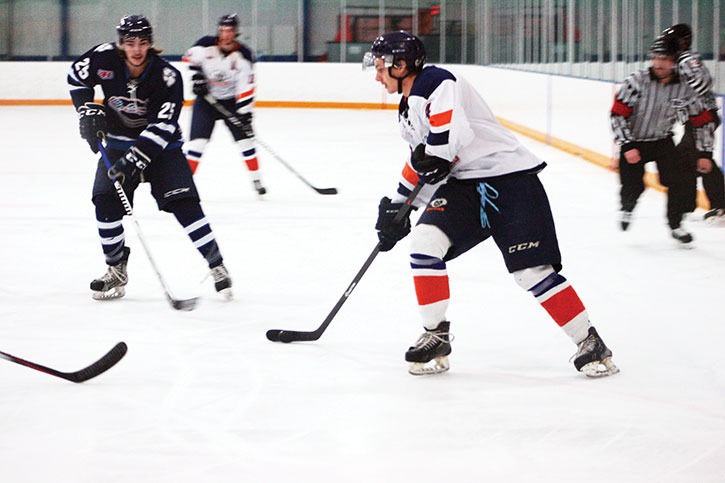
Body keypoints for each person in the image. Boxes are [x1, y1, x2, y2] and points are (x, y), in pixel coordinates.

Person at [363, 31, 619, 378]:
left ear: (402, 65)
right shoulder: (407, 109)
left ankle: (589, 341)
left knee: (531, 273)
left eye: (381, 67)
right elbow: (421, 162)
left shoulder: (437, 82)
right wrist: (399, 206)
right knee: (424, 244)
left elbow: (449, 142)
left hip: (510, 179)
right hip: (464, 187)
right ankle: (435, 334)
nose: (377, 75)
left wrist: (429, 167)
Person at [67, 14, 233, 301]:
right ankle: (116, 268)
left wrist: (134, 160)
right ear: (121, 44)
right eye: (130, 43)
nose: (136, 49)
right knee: (105, 203)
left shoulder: (167, 76)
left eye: (143, 43)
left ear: (151, 44)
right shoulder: (103, 58)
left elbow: (164, 125)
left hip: (162, 150)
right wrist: (86, 109)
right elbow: (76, 77)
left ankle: (217, 265)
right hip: (118, 145)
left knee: (185, 205)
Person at [610, 35, 717, 245]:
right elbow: (617, 114)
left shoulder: (685, 88)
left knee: (677, 182)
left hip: (662, 141)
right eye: (656, 58)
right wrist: (627, 145)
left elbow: (701, 121)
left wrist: (705, 154)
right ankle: (628, 206)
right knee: (634, 186)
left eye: (666, 59)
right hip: (634, 141)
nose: (659, 63)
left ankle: (676, 225)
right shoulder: (636, 81)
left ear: (675, 62)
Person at [182, 13, 266, 196]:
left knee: (246, 141)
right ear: (218, 32)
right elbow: (189, 58)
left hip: (231, 104)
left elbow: (246, 86)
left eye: (230, 31)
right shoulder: (205, 44)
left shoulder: (244, 56)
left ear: (236, 33)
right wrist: (197, 77)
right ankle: (185, 185)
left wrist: (244, 114)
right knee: (197, 144)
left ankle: (256, 179)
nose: (226, 35)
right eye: (223, 30)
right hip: (206, 102)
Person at [659, 24, 724, 224]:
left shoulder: (687, 60)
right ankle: (690, 204)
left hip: (702, 117)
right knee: (687, 161)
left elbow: (703, 81)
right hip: (694, 118)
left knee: (699, 160)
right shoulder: (678, 62)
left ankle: (718, 206)